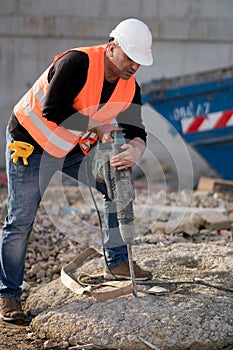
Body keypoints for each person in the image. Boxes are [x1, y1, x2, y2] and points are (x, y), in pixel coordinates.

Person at [0, 18, 153, 323]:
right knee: (21, 220)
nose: (134, 67)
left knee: (116, 183)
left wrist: (136, 148)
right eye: (130, 59)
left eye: (139, 62)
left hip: (69, 147)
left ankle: (118, 261)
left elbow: (137, 129)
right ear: (112, 48)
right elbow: (52, 110)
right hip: (30, 143)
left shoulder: (129, 87)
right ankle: (8, 295)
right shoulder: (77, 63)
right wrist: (97, 126)